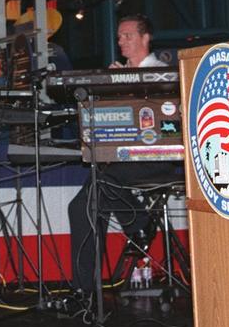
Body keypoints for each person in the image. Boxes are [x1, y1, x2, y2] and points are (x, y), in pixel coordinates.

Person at [67, 15, 183, 303]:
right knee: (82, 205)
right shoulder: (118, 74)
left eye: (128, 36)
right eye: (119, 37)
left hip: (158, 158)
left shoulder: (162, 72)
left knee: (103, 182)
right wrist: (111, 88)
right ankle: (85, 289)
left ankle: (137, 223)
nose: (121, 41)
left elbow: (166, 119)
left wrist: (123, 85)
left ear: (146, 38)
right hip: (122, 159)